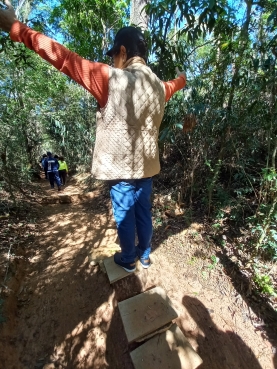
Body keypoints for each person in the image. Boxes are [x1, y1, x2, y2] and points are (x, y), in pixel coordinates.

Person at [0, 1, 186, 272]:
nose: (112, 60)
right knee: (144, 212)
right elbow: (173, 85)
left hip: (121, 169)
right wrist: (182, 79)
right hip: (147, 168)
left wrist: (16, 28)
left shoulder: (109, 78)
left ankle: (128, 259)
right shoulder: (158, 87)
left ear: (123, 51)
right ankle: (145, 256)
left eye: (114, 55)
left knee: (125, 215)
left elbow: (62, 57)